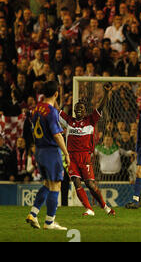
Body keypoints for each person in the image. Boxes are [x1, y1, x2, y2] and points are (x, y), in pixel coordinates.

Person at [59, 82, 115, 216]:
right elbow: (57, 110)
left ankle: (105, 207)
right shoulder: (69, 121)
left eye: (81, 108)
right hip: (71, 157)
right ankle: (89, 209)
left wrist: (106, 93)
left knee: (90, 184)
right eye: (76, 108)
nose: (78, 110)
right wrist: (54, 97)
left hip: (85, 156)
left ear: (85, 111)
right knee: (76, 182)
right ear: (74, 110)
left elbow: (101, 107)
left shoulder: (91, 120)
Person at [26, 80, 70, 230]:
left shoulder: (36, 109)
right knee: (56, 185)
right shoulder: (51, 112)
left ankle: (33, 213)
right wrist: (66, 153)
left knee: (47, 183)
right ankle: (49, 222)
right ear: (56, 94)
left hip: (39, 151)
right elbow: (57, 135)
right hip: (51, 152)